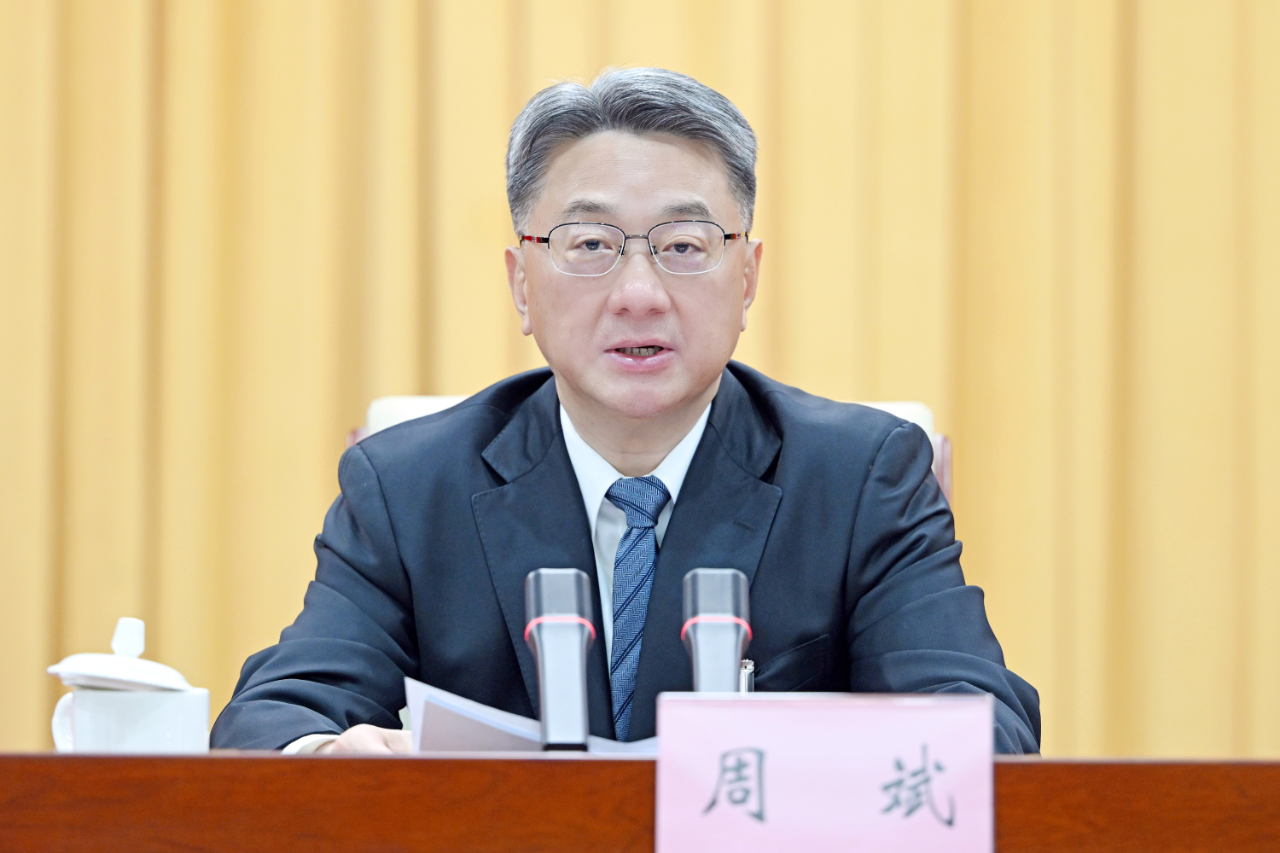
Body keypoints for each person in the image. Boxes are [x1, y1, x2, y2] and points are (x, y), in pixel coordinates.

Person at [210, 68, 1040, 755]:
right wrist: (328, 756)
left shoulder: (861, 478)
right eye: (590, 245)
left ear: (747, 277)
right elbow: (274, 718)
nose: (639, 294)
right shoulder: (407, 486)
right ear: (521, 284)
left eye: (683, 246)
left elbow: (983, 730)